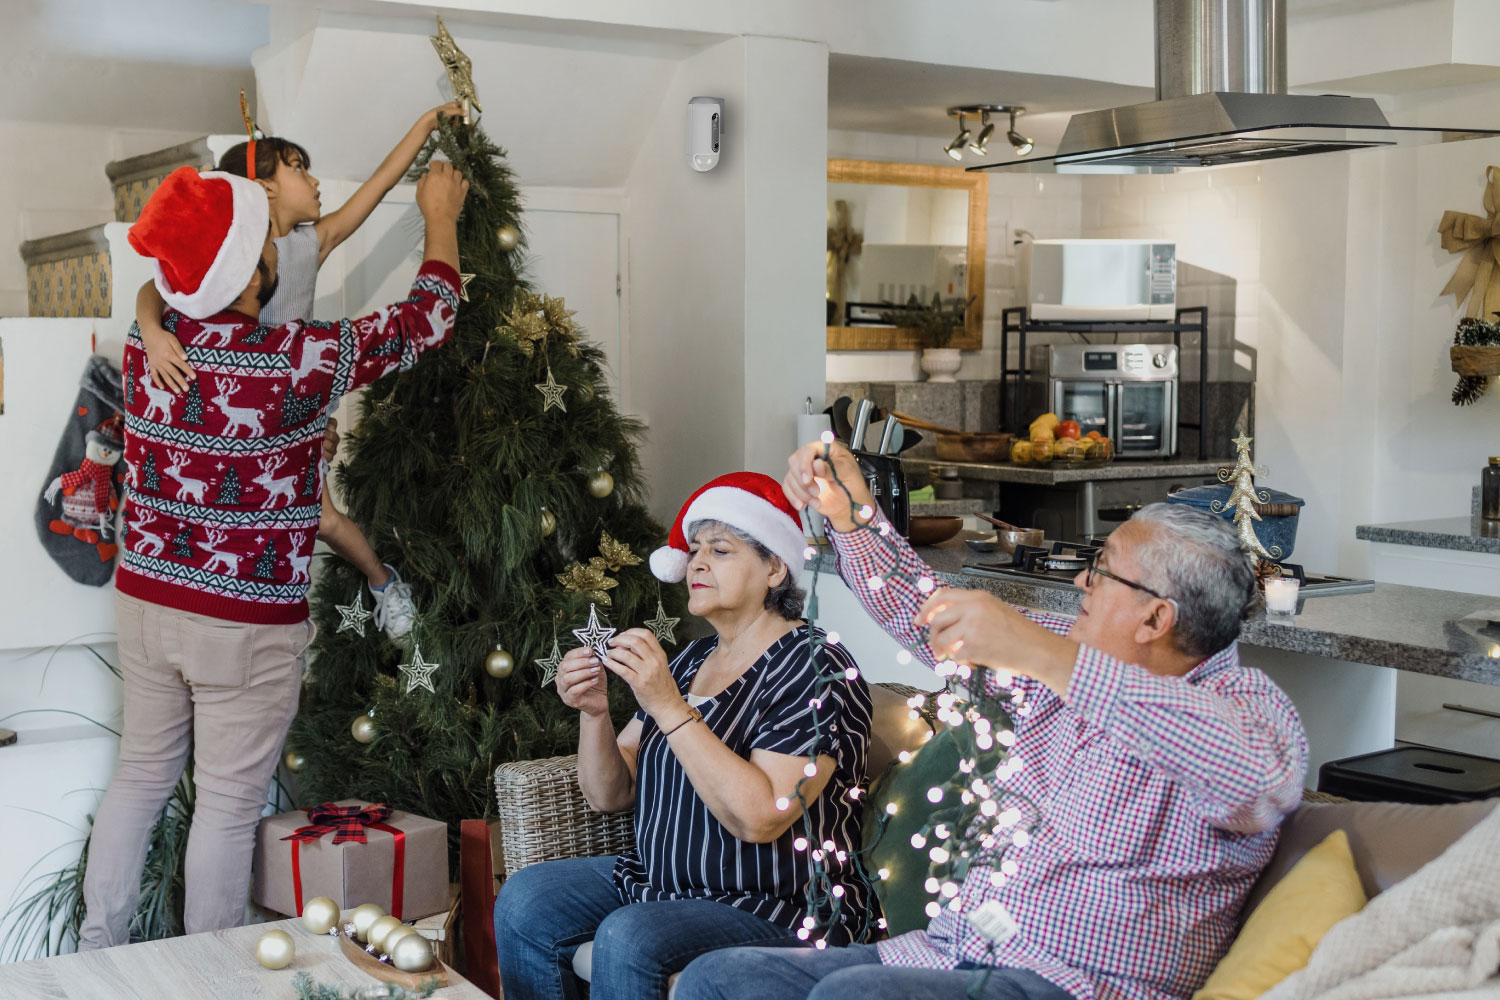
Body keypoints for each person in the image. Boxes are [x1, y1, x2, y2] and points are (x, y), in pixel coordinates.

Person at [674, 442, 1309, 1000]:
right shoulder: (1071, 654)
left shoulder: (1247, 708)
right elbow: (920, 608)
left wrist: (1039, 651)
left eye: (1104, 569)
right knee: (720, 980)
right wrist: (851, 513)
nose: (1084, 579)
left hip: (1072, 983)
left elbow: (1254, 781)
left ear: (1155, 620)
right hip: (950, 955)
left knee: (855, 995)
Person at [78, 157, 468, 948]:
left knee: (141, 778)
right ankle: (210, 983)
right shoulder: (298, 360)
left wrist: (154, 318)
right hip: (242, 624)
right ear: (251, 272)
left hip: (147, 600)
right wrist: (440, 216)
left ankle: (96, 953)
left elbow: (158, 290)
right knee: (224, 803)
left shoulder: (147, 343)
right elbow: (428, 318)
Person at [494, 472, 878, 1000]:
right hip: (663, 884)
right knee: (526, 899)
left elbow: (762, 816)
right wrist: (594, 713)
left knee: (632, 935)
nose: (696, 562)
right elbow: (609, 794)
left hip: (777, 906)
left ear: (775, 568)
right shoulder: (692, 658)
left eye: (720, 550)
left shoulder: (815, 667)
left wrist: (668, 705)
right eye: (694, 548)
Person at [134, 103, 463, 642]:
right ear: (260, 188)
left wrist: (425, 124)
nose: (314, 181)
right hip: (266, 426)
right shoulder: (224, 259)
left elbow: (376, 187)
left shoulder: (307, 245)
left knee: (324, 518)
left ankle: (382, 583)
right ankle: (383, 583)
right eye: (298, 169)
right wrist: (150, 329)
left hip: (300, 401)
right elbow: (157, 285)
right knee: (325, 518)